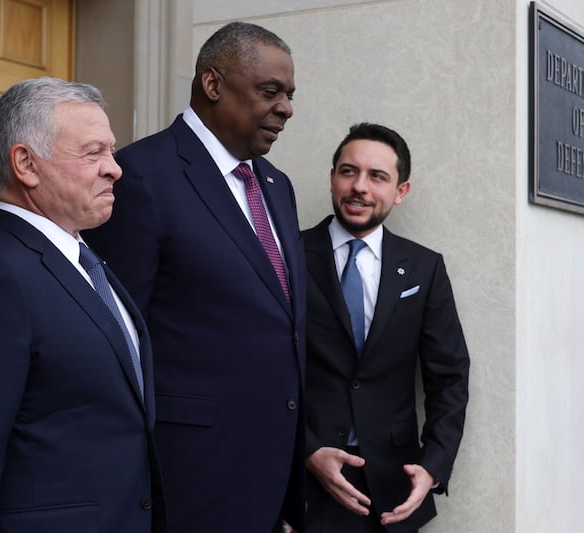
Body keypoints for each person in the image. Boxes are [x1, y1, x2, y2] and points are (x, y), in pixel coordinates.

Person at [0, 77, 165, 533]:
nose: (115, 168)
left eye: (111, 151)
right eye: (93, 153)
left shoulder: (83, 261)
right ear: (26, 164)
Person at [83, 21, 305, 533]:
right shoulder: (139, 175)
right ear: (212, 84)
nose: (286, 108)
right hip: (186, 478)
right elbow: (113, 340)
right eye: (270, 91)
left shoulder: (277, 185)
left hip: (269, 479)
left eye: (289, 95)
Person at [302, 123, 470, 533]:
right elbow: (262, 369)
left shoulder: (424, 268)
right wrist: (306, 451)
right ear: (332, 177)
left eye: (377, 176)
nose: (359, 186)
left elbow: (449, 377)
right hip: (302, 485)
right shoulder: (287, 254)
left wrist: (432, 466)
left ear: (401, 191)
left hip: (393, 489)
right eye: (348, 171)